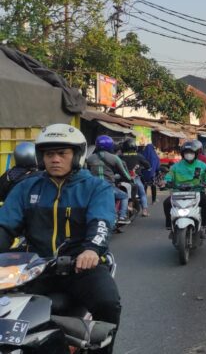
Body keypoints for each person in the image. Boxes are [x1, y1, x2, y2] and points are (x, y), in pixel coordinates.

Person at [0, 124, 121, 354]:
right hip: (34, 268)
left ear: (76, 156)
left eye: (62, 153)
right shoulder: (27, 188)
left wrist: (92, 250)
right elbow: (4, 225)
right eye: (49, 154)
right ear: (41, 157)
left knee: (108, 304)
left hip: (81, 267)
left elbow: (101, 222)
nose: (55, 159)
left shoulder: (95, 187)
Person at [163, 141, 206, 229]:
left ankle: (205, 224)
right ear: (183, 154)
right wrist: (165, 182)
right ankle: (169, 225)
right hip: (178, 192)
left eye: (191, 152)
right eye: (186, 153)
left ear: (195, 154)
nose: (189, 154)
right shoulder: (175, 166)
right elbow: (168, 176)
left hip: (196, 191)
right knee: (167, 203)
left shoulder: (202, 165)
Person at [87, 135, 132, 225]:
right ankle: (122, 217)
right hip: (108, 188)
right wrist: (128, 179)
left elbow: (87, 173)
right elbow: (126, 175)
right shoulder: (114, 158)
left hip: (93, 188)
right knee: (124, 196)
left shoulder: (90, 158)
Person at [119, 139, 151, 217]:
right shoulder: (139, 155)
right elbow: (148, 165)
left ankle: (127, 207)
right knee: (142, 193)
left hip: (123, 178)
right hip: (135, 178)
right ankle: (145, 210)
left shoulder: (120, 156)